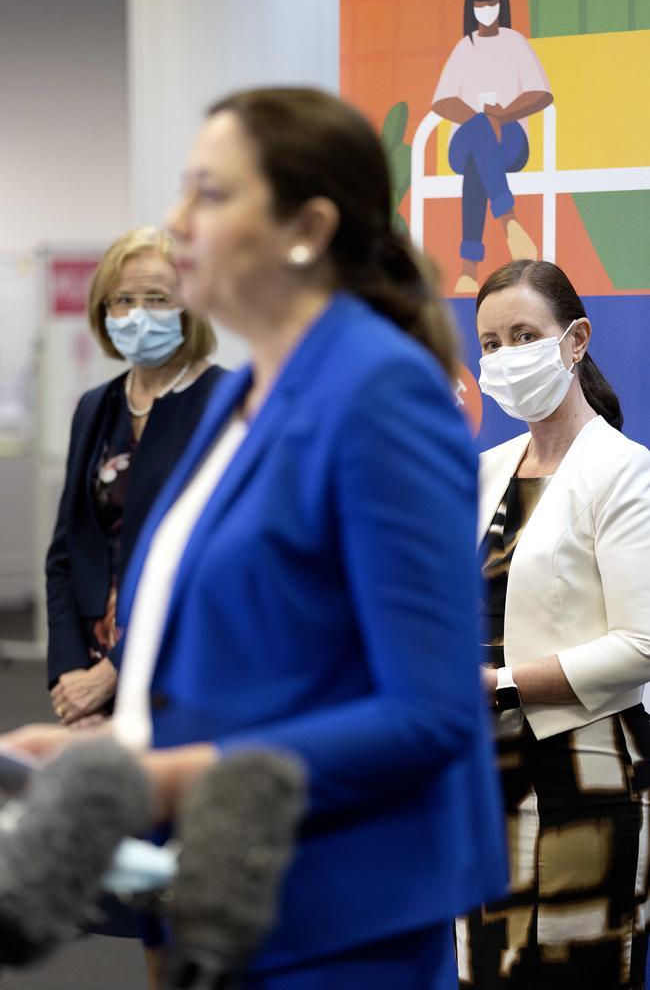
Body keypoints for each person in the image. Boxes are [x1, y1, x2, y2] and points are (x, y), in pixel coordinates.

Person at [7, 88, 506, 988]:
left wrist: (159, 779)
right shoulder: (250, 396)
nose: (175, 218)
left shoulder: (379, 391)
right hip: (235, 900)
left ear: (305, 227)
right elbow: (260, 672)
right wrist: (113, 749)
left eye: (209, 191)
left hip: (342, 923)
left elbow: (428, 714)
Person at [456, 259, 650, 988]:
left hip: (587, 770)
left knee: (580, 976)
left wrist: (501, 685)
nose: (506, 357)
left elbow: (642, 645)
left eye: (524, 335)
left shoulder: (625, 470)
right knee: (484, 973)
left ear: (575, 341)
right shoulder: (485, 468)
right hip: (482, 775)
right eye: (492, 343)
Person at [46, 225, 225, 726]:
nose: (138, 313)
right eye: (123, 299)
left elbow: (211, 561)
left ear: (188, 306)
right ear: (105, 311)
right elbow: (66, 551)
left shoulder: (223, 404)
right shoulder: (95, 407)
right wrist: (69, 676)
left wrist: (115, 674)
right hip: (87, 681)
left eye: (157, 297)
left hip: (179, 670)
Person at [432, 0, 552, 295]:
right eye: (480, 4)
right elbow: (443, 101)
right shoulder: (465, 48)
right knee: (478, 137)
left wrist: (502, 116)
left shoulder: (515, 44)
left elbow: (541, 94)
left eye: (492, 3)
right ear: (471, 7)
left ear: (502, 5)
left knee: (478, 162)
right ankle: (508, 219)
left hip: (511, 141)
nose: (486, 9)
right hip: (466, 140)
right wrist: (482, 120)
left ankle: (468, 271)